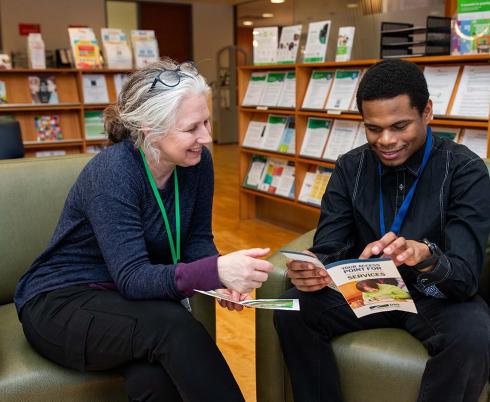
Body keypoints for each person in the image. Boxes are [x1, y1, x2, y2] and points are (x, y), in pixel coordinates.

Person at [14, 58, 273, 402]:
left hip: (126, 300)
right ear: (151, 129)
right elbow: (133, 277)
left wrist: (220, 278)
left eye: (207, 122)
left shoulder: (196, 164)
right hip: (61, 302)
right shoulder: (113, 174)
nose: (206, 138)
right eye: (192, 127)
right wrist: (215, 270)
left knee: (155, 377)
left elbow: (196, 239)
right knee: (175, 328)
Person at [274, 59, 490, 402]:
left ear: (428, 112)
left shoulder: (465, 170)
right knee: (291, 308)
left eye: (400, 125)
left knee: (474, 333)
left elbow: (464, 276)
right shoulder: (350, 167)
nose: (387, 140)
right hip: (368, 288)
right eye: (373, 129)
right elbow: (330, 244)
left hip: (434, 294)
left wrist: (426, 256)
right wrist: (312, 266)